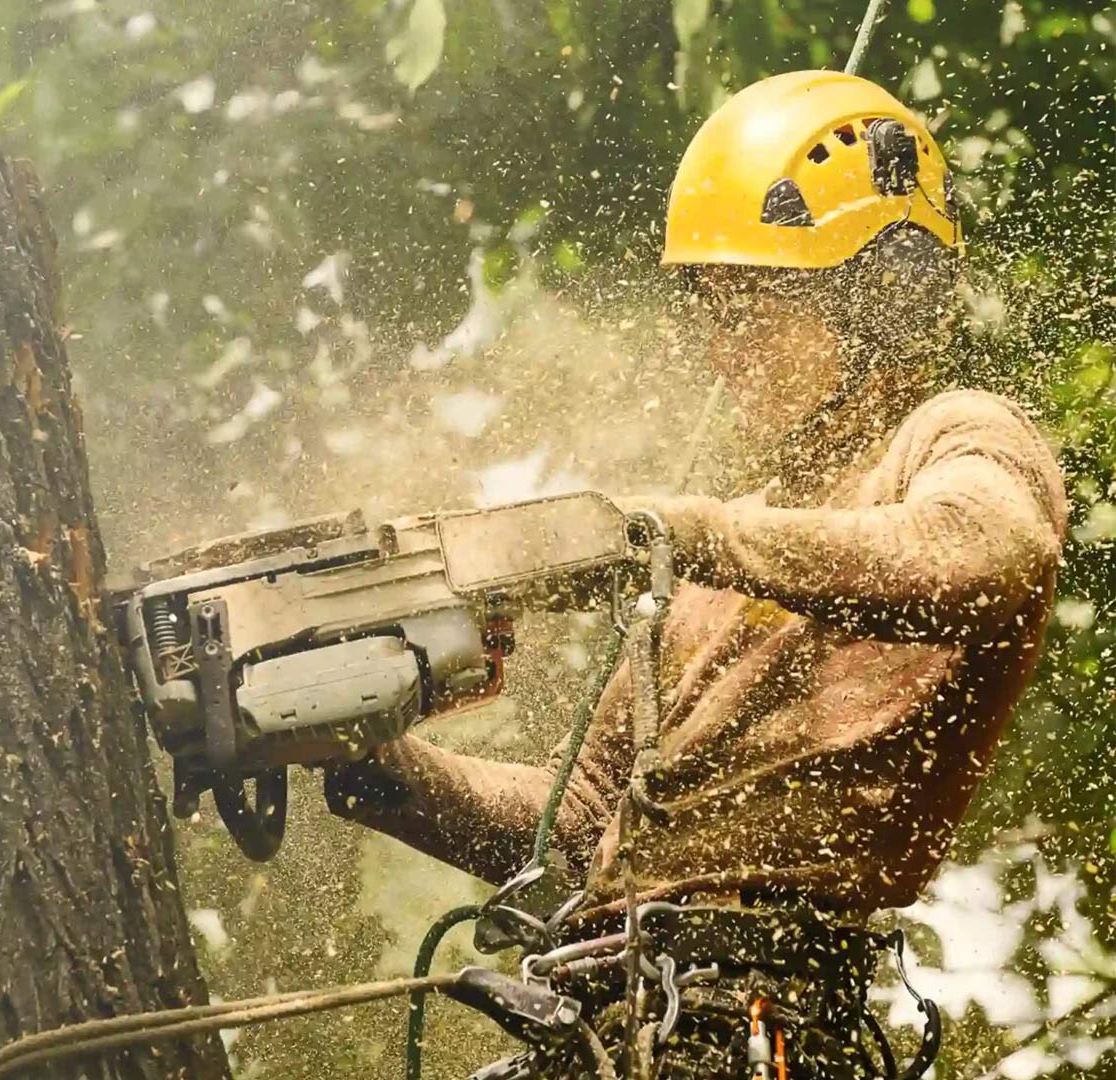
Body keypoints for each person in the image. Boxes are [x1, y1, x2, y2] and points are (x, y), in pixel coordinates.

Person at [326, 70, 1068, 1078]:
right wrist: (375, 757)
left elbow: (987, 553)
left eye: (755, 311)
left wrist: (681, 531)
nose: (727, 354)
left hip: (763, 1016)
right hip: (622, 1011)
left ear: (880, 297)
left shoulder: (949, 439)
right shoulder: (731, 538)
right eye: (712, 314)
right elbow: (585, 820)